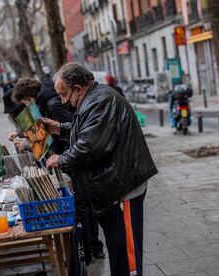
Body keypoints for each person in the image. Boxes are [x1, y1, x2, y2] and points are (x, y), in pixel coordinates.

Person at [44, 63, 158, 276]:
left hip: (123, 186)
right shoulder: (92, 99)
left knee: (127, 255)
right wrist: (59, 128)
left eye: (64, 94)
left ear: (78, 88)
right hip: (113, 187)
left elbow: (90, 145)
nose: (62, 101)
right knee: (117, 250)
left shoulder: (100, 101)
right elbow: (86, 131)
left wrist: (61, 159)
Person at [12, 77, 106, 261]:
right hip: (67, 158)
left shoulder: (53, 103)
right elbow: (45, 128)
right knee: (81, 203)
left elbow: (71, 131)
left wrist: (30, 142)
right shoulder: (46, 100)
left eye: (25, 101)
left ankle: (91, 247)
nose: (25, 104)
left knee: (82, 203)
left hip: (71, 159)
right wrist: (23, 133)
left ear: (30, 95)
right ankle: (90, 247)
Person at [11, 77, 73, 155]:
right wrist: (18, 132)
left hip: (67, 153)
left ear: (30, 96)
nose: (28, 106)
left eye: (27, 103)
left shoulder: (51, 104)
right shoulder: (43, 101)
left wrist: (64, 156)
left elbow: (72, 130)